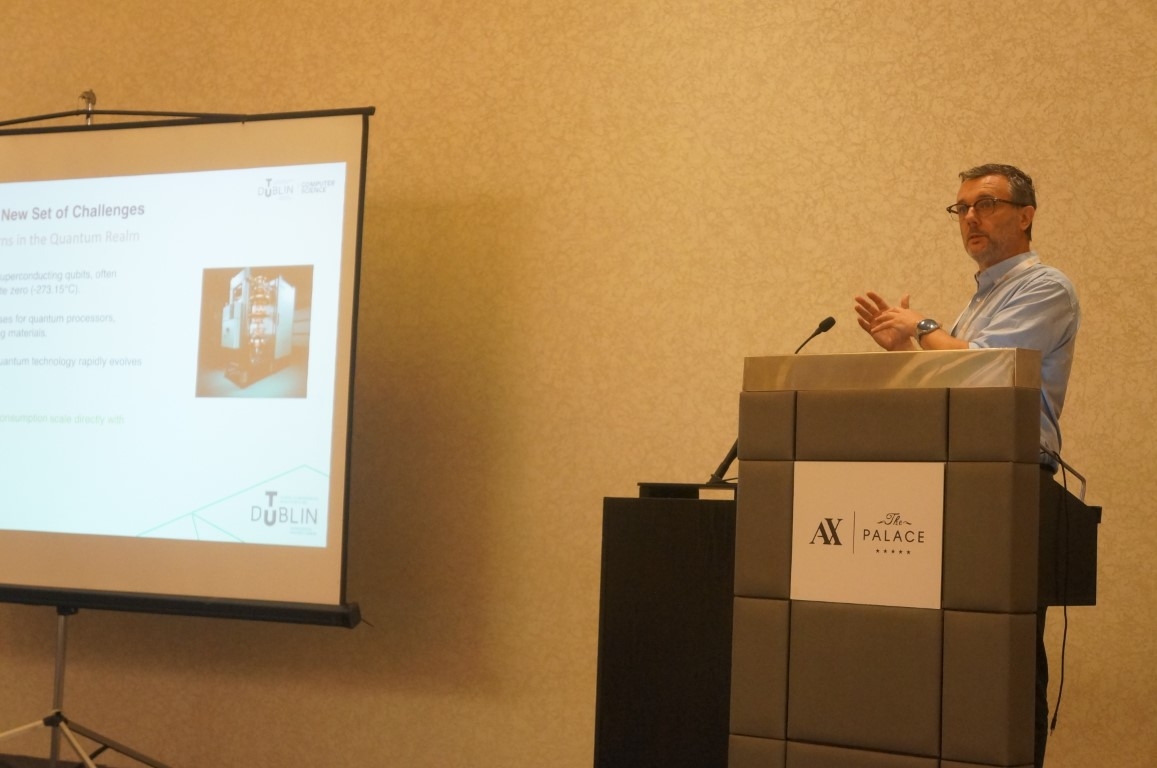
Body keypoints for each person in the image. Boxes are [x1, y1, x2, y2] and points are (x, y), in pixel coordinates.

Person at [854, 163, 1080, 768]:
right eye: (961, 208)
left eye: (986, 204)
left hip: (1012, 485)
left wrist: (922, 327)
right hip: (961, 480)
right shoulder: (980, 300)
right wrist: (905, 348)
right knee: (961, 652)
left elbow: (991, 369)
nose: (971, 218)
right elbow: (951, 391)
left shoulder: (1046, 287)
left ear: (1026, 215)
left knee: (1004, 653)